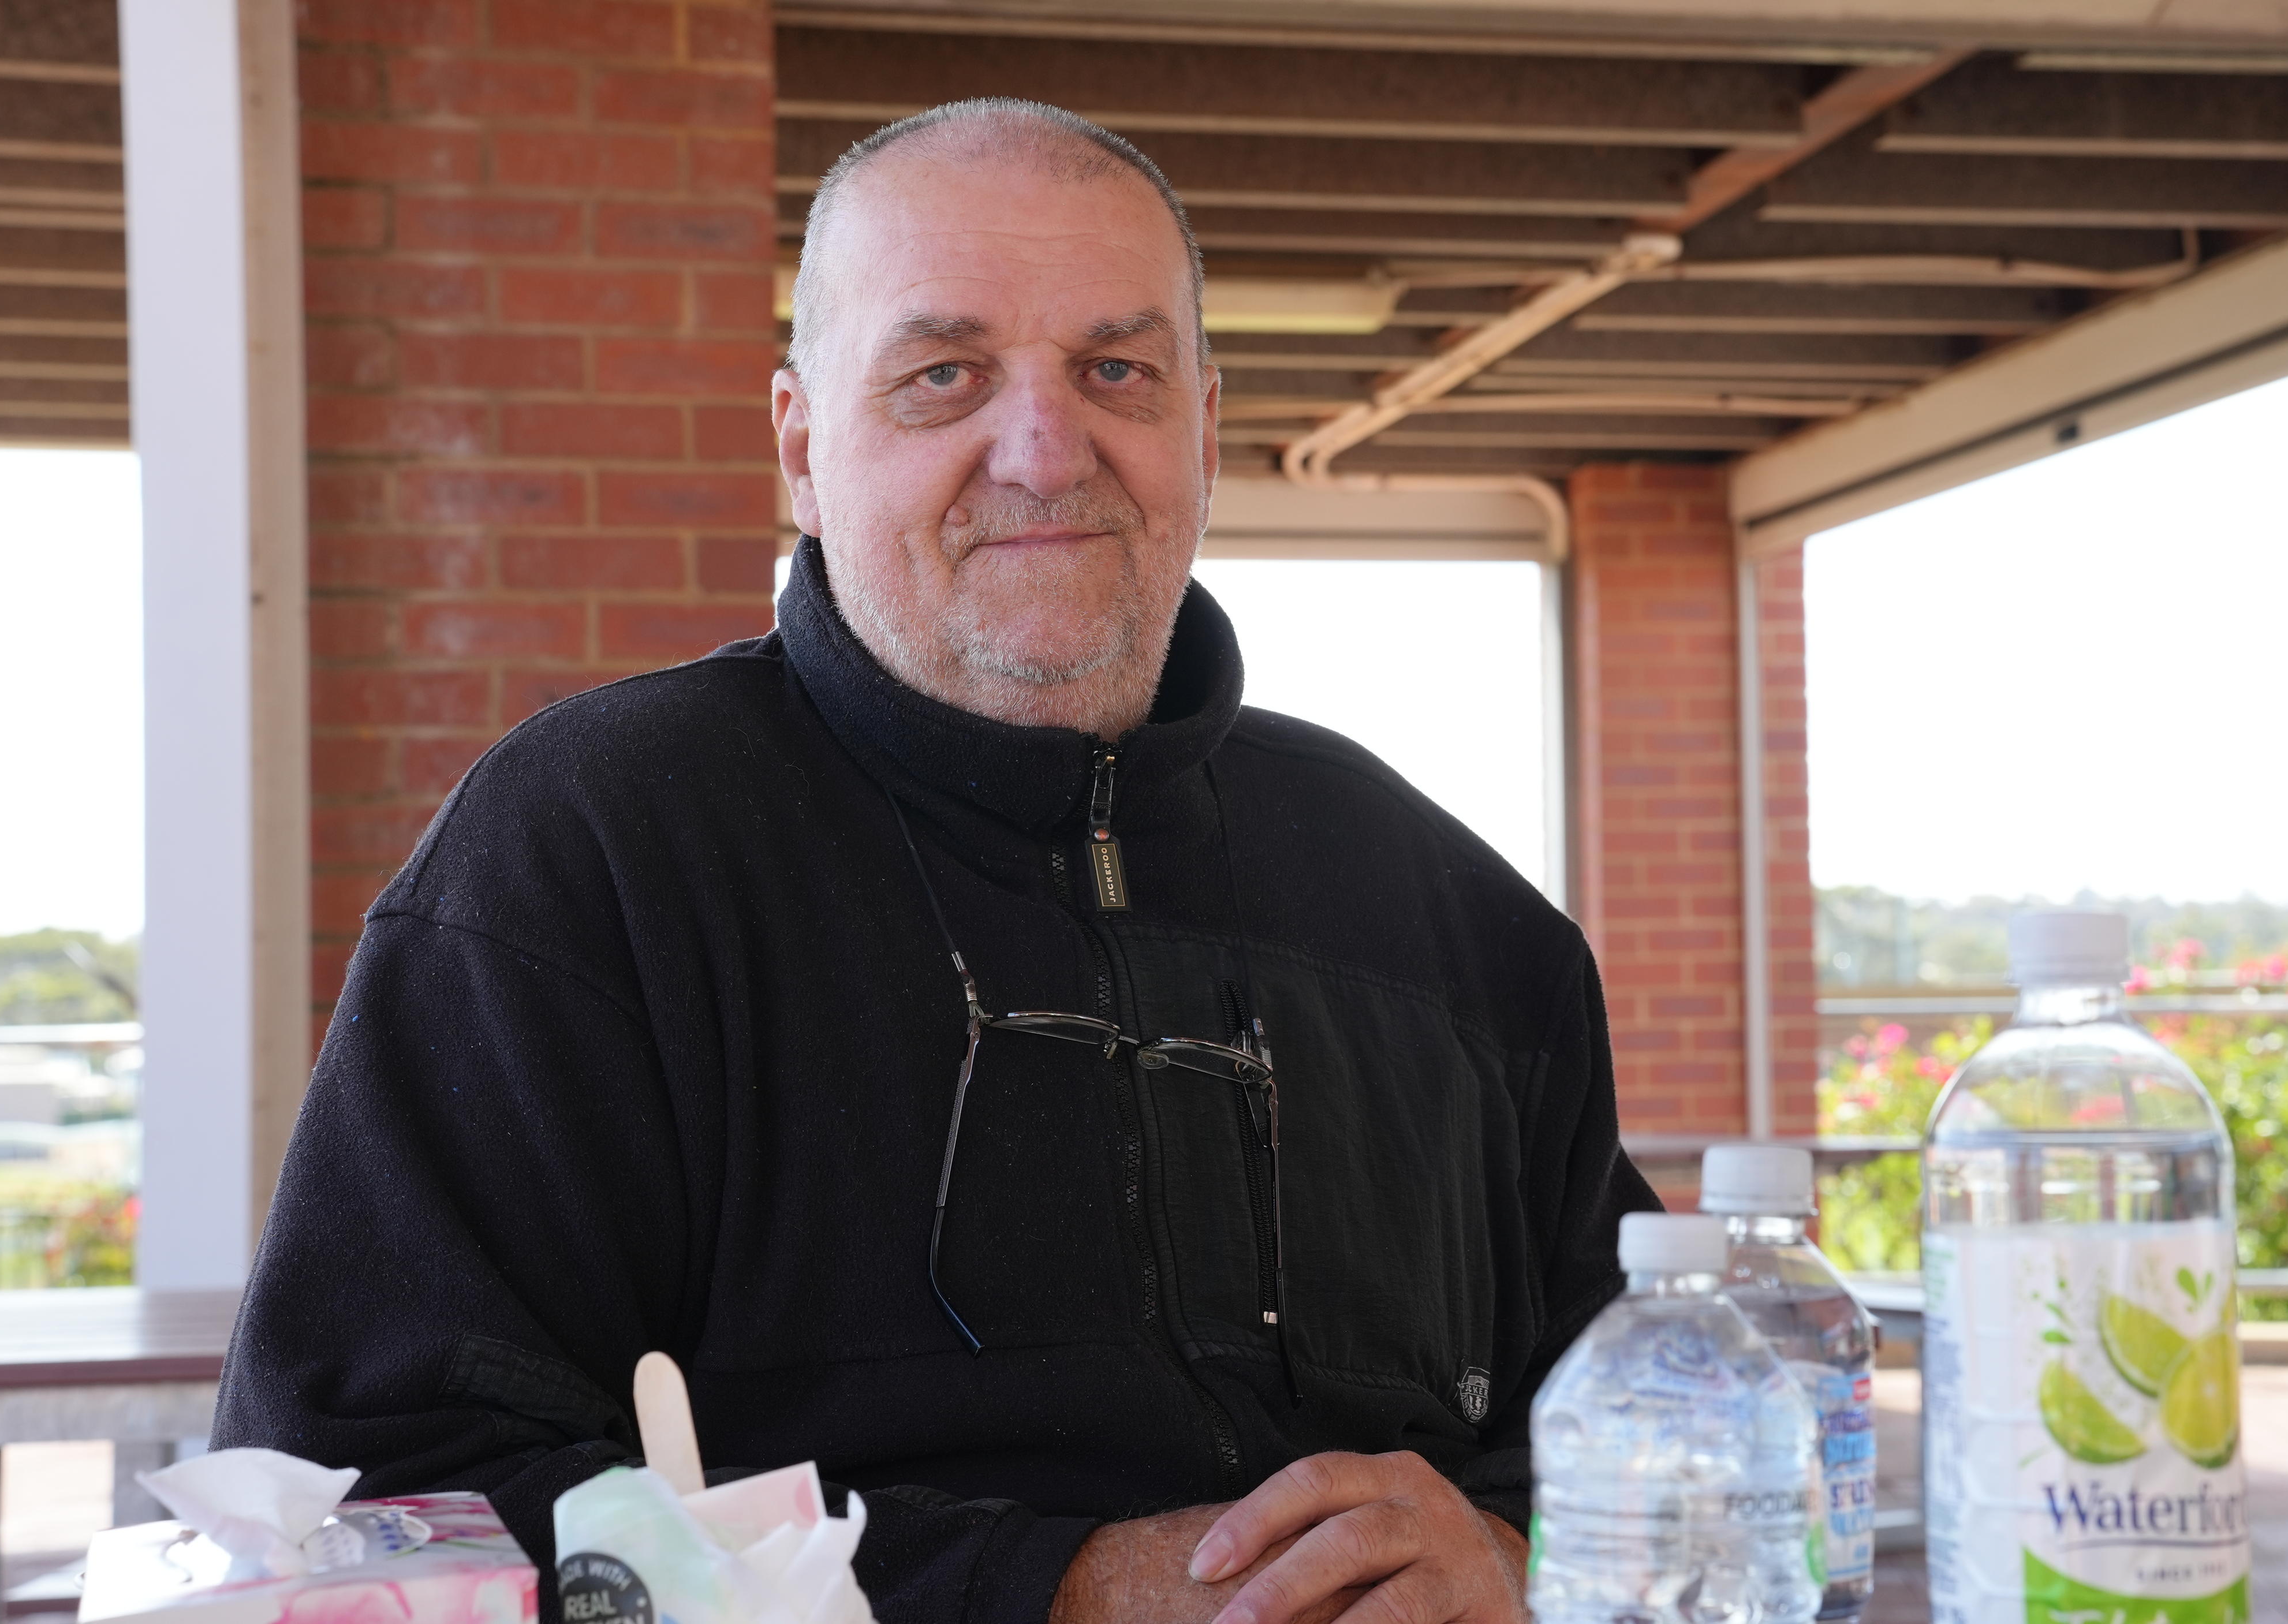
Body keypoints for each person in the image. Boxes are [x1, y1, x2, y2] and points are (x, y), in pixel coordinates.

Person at [214, 98, 1655, 1624]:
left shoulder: (1453, 919)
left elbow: (1675, 1446)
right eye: (941, 377)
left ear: (1206, 431)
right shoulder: (593, 854)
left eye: (1117, 371)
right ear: (801, 448)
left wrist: (1510, 1559)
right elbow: (364, 1510)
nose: (1042, 453)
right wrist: (1050, 1591)